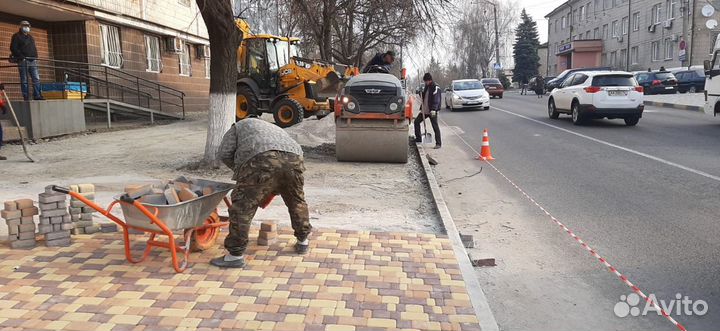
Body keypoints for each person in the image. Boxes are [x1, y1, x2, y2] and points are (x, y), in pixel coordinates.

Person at [212, 117, 311, 268]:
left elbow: (225, 153)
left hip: (261, 158)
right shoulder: (272, 128)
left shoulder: (237, 127)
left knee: (243, 207)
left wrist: (243, 174)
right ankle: (303, 241)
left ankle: (235, 255)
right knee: (296, 200)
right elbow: (282, 159)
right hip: (295, 158)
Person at [10, 20, 42, 101]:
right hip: (23, 60)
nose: (27, 27)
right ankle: (26, 96)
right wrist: (21, 57)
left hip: (32, 60)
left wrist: (35, 56)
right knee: (24, 79)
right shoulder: (16, 36)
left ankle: (37, 95)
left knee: (36, 78)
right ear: (20, 26)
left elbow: (33, 48)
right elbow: (13, 48)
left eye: (28, 26)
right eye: (25, 25)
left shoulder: (30, 37)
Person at [414, 73, 442, 149]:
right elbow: (424, 97)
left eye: (426, 81)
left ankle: (438, 144)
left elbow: (437, 100)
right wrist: (420, 93)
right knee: (416, 122)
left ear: (429, 80)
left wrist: (434, 109)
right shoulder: (427, 86)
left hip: (432, 111)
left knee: (435, 126)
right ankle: (418, 139)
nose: (425, 83)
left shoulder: (435, 87)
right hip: (425, 110)